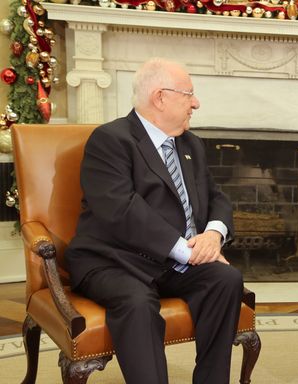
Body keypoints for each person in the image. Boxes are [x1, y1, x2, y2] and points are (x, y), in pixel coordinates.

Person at [65, 58, 242, 384]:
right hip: (113, 260)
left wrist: (213, 235)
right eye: (189, 94)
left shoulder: (191, 144)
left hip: (173, 262)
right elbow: (122, 210)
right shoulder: (111, 140)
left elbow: (216, 196)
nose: (196, 103)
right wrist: (188, 251)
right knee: (136, 303)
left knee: (225, 280)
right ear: (160, 97)